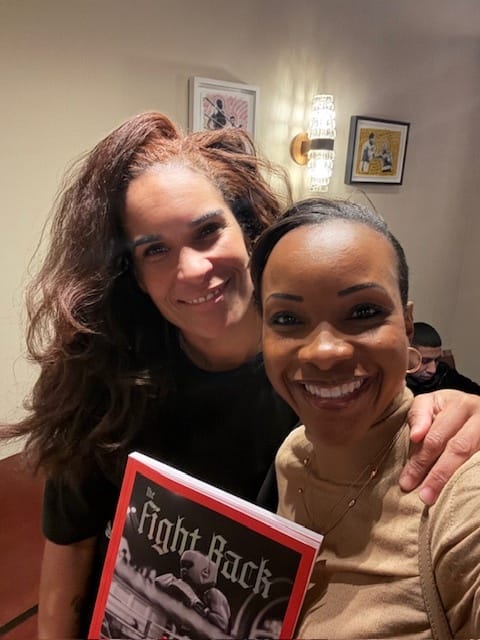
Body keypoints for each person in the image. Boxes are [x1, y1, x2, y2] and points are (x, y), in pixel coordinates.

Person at [3, 112, 480, 639]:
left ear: (248, 232)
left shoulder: (322, 380)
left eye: (207, 231)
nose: (192, 269)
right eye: (155, 249)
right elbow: (68, 552)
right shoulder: (102, 378)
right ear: (133, 275)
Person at [250, 197, 480, 638]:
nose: (324, 352)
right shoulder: (294, 455)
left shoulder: (456, 492)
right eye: (287, 318)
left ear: (407, 324)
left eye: (363, 312)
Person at [407, 321, 480, 396]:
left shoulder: (444, 374)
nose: (433, 370)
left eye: (436, 360)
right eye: (424, 361)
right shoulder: (399, 386)